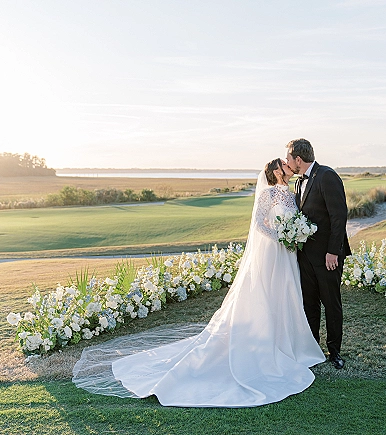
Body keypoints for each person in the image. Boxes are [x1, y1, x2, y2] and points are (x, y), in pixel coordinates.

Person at [72, 158, 325, 407]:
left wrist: (293, 234)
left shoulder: (290, 192)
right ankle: (265, 342)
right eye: (284, 164)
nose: (288, 166)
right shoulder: (268, 194)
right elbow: (260, 224)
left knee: (287, 294)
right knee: (268, 293)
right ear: (276, 171)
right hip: (273, 252)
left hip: (287, 255)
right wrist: (280, 236)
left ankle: (290, 343)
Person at [285, 139, 351, 370]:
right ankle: (312, 348)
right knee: (309, 304)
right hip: (306, 257)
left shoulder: (326, 176)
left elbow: (339, 216)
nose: (288, 163)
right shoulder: (299, 182)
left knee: (331, 304)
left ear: (298, 160)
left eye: (289, 159)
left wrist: (333, 251)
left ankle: (335, 351)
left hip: (327, 257)